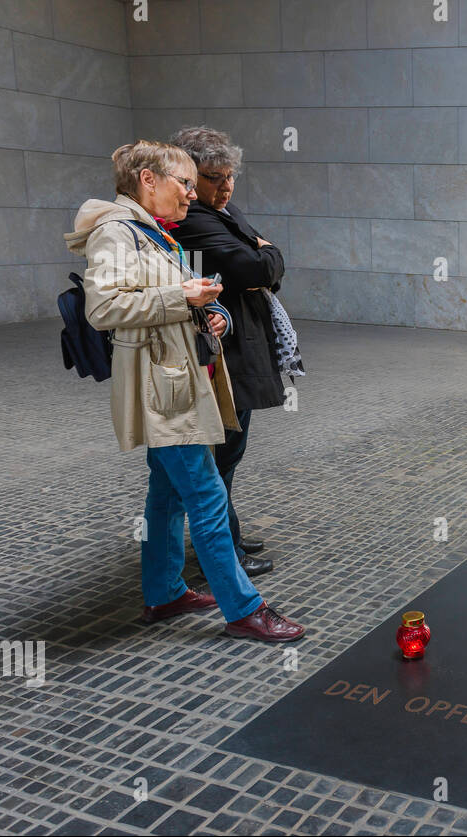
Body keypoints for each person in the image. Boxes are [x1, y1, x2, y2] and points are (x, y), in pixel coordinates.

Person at [63, 139, 305, 643]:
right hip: (163, 390)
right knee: (207, 496)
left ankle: (165, 592)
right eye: (185, 182)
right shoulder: (116, 232)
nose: (192, 194)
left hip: (173, 380)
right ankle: (244, 610)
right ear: (148, 180)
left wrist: (207, 313)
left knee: (167, 496)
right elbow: (102, 308)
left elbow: (155, 301)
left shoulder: (147, 231)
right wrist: (181, 295)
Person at [167, 126, 284, 578]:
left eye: (230, 175)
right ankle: (222, 550)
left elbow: (262, 267)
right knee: (220, 457)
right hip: (221, 355)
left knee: (229, 454)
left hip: (235, 341)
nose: (226, 186)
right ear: (190, 177)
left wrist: (263, 257)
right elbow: (256, 264)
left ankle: (227, 537)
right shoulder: (194, 217)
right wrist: (265, 251)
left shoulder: (223, 209)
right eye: (214, 177)